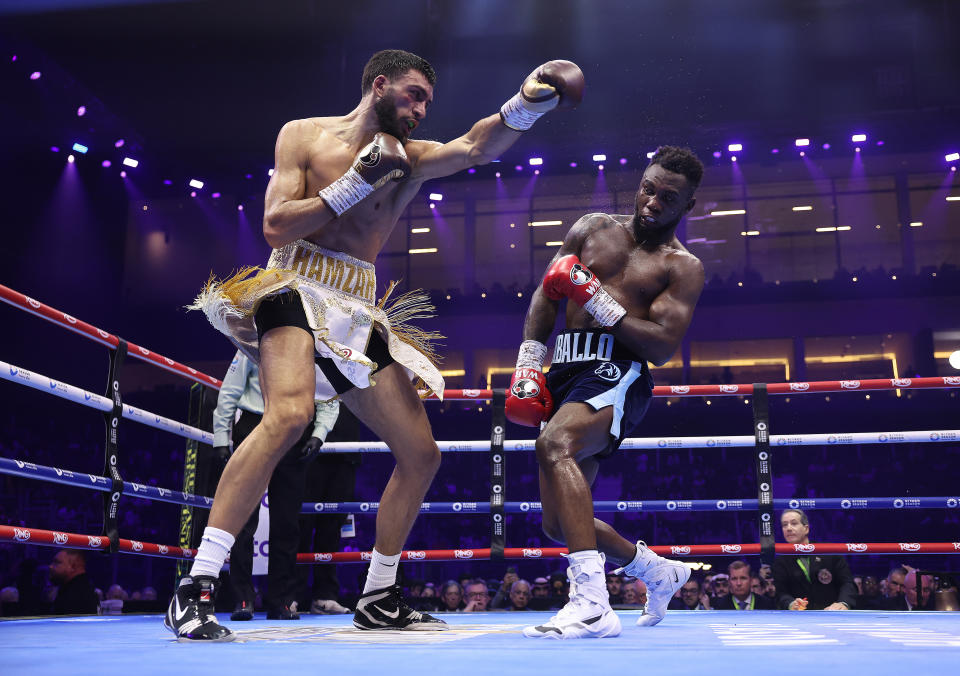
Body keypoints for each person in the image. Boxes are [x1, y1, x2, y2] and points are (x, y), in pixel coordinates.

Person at [168, 50, 583, 642]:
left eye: (426, 104)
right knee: (288, 414)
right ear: (379, 85)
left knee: (422, 454)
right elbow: (276, 225)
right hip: (292, 284)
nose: (418, 111)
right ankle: (197, 585)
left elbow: (473, 147)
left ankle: (379, 595)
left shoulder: (409, 160)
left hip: (357, 309)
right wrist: (354, 182)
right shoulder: (304, 136)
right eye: (412, 96)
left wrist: (527, 103)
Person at [506, 147, 706, 639]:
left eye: (668, 197)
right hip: (564, 370)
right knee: (559, 524)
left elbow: (661, 346)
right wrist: (529, 363)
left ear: (688, 206)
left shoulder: (682, 266)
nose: (653, 202)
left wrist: (593, 296)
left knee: (556, 444)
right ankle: (659, 573)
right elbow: (546, 293)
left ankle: (592, 604)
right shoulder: (591, 228)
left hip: (619, 373)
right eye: (649, 188)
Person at [212, 350, 339, 621]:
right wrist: (221, 437)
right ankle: (243, 598)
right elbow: (229, 391)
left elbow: (330, 395)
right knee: (244, 519)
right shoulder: (253, 339)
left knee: (288, 522)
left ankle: (280, 601)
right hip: (254, 424)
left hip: (295, 431)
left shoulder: (318, 347)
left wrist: (319, 434)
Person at [773, 509, 856, 611]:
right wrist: (790, 603)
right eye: (784, 525)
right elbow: (780, 592)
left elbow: (847, 583)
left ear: (806, 529)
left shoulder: (829, 552)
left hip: (832, 615)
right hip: (799, 618)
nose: (788, 528)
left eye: (794, 523)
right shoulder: (780, 561)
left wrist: (843, 603)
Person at [48, 550, 99, 615]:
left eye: (57, 562)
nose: (51, 566)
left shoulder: (77, 594)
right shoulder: (84, 587)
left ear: (73, 566)